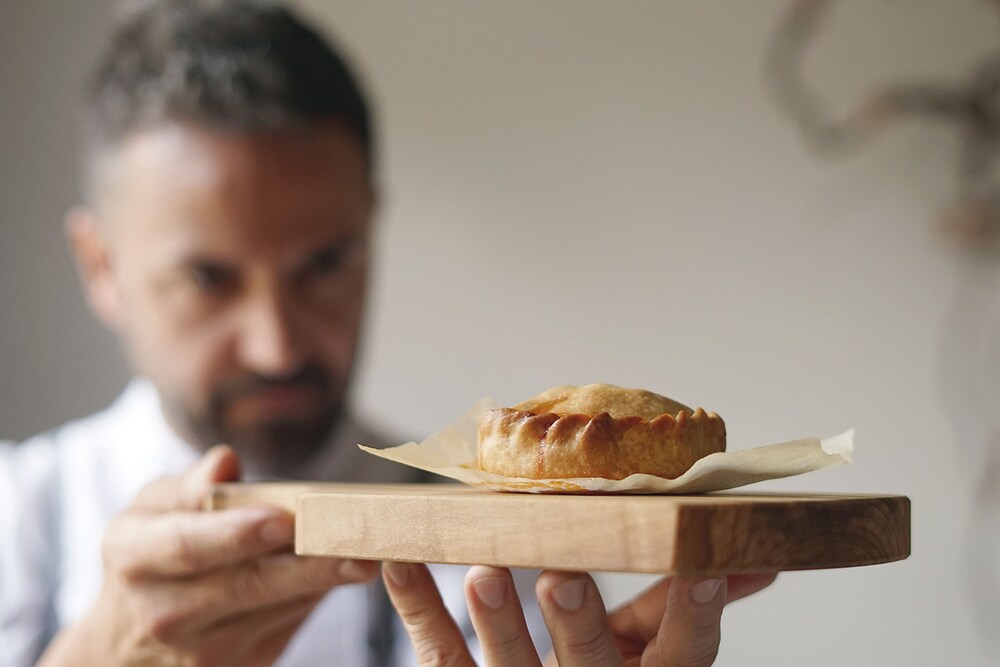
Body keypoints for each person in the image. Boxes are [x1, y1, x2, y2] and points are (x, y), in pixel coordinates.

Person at [0, 1, 775, 666]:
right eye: (209, 278)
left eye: (325, 263)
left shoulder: (506, 555)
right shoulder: (17, 513)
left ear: (372, 228)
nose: (277, 345)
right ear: (100, 267)